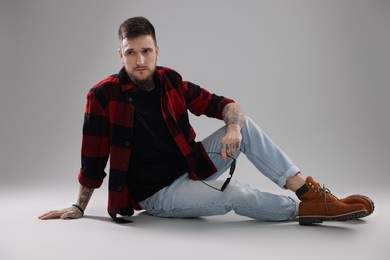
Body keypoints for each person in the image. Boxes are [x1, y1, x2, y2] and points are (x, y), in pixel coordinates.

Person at [39, 16, 374, 225]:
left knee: (245, 125)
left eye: (146, 51)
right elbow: (93, 157)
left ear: (157, 51)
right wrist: (79, 206)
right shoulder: (103, 95)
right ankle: (304, 212)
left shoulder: (171, 81)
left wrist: (231, 127)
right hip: (159, 195)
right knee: (237, 193)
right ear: (121, 54)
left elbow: (226, 105)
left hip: (193, 165)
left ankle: (310, 194)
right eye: (131, 52)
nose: (139, 60)